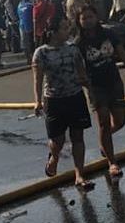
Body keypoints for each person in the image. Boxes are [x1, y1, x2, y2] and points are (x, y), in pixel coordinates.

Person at [75, 6, 125, 178]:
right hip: (96, 87)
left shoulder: (108, 35)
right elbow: (78, 68)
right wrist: (85, 86)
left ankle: (104, 143)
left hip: (114, 82)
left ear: (96, 17)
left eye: (90, 17)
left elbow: (123, 54)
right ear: (79, 22)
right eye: (84, 18)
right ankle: (112, 162)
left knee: (120, 121)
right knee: (104, 123)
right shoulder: (79, 43)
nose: (87, 21)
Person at [32, 18, 94, 191]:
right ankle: (54, 157)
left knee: (77, 137)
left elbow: (82, 73)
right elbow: (37, 80)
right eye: (64, 28)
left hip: (74, 96)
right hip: (54, 100)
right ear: (53, 32)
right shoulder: (41, 53)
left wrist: (90, 92)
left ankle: (79, 175)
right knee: (58, 140)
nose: (67, 32)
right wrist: (37, 101)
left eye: (68, 28)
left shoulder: (73, 49)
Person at [17, 0, 36, 64]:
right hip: (30, 26)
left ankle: (28, 58)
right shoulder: (30, 5)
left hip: (22, 26)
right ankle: (32, 57)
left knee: (24, 43)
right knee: (31, 42)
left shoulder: (19, 5)